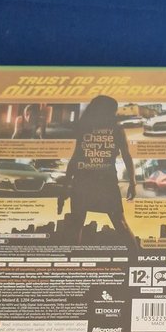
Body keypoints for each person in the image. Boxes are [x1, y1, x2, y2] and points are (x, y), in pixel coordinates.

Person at [60, 95, 137, 247]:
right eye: (112, 110)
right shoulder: (107, 129)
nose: (114, 113)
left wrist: (133, 182)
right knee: (80, 225)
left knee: (82, 225)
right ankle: (135, 256)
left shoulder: (112, 129)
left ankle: (136, 258)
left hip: (94, 183)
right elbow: (76, 158)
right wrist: (65, 186)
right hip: (91, 183)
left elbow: (127, 156)